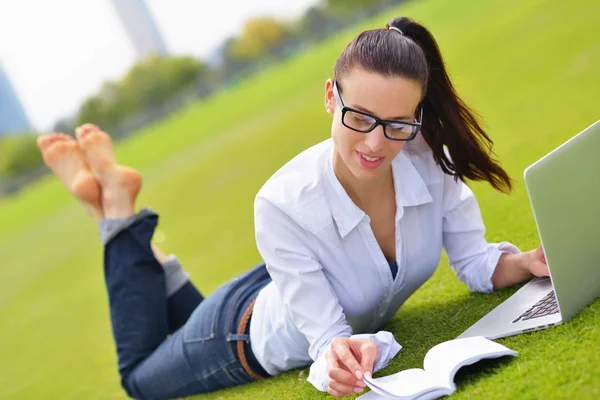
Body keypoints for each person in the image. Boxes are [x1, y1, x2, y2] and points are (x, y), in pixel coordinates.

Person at [37, 17, 548, 400]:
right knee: (138, 379)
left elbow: (477, 262)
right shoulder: (282, 201)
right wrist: (343, 362)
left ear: (417, 116)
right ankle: (113, 210)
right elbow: (327, 344)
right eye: (360, 117)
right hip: (238, 337)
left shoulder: (430, 161)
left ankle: (119, 221)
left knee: (172, 333)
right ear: (331, 97)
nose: (376, 143)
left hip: (284, 287)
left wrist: (523, 263)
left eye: (397, 124)